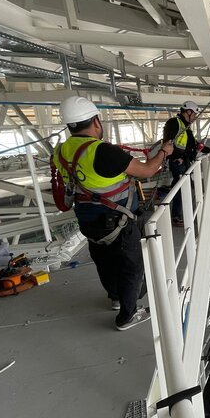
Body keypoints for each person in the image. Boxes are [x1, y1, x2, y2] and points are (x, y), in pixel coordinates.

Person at [53, 96, 173, 331]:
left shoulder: (60, 151)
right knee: (131, 266)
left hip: (88, 219)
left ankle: (116, 298)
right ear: (96, 121)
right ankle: (127, 316)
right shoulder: (103, 151)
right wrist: (164, 153)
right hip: (117, 219)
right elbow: (148, 170)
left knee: (104, 260)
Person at [163, 101, 210, 226]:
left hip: (184, 162)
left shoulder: (185, 128)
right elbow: (168, 142)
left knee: (184, 188)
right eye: (194, 114)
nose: (194, 118)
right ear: (188, 112)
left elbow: (192, 144)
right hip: (178, 162)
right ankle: (175, 216)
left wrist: (209, 149)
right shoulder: (174, 123)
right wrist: (176, 157)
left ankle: (179, 214)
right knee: (179, 189)